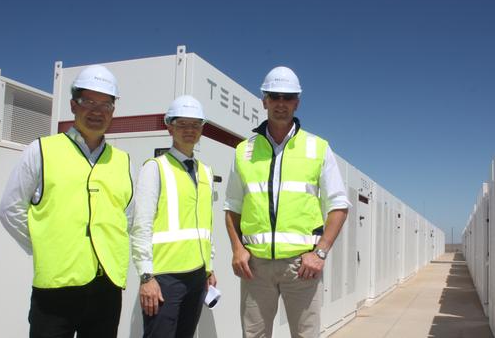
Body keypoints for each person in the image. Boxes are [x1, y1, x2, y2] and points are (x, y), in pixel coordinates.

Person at [0, 65, 133, 337]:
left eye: (106, 104)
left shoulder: (122, 160)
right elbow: (10, 210)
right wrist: (45, 245)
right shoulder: (42, 151)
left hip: (106, 288)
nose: (97, 111)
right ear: (73, 105)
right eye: (88, 102)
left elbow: (126, 217)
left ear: (113, 111)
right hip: (55, 292)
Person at [224, 66, 350, 338]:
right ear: (264, 101)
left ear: (297, 103)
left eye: (288, 97)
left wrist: (320, 253)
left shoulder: (317, 148)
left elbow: (339, 205)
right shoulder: (243, 151)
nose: (281, 103)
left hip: (302, 267)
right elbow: (232, 207)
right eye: (274, 96)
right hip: (255, 268)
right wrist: (237, 249)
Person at [131, 95, 217, 338]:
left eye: (195, 125)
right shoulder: (155, 168)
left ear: (202, 129)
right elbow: (141, 226)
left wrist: (209, 267)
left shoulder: (205, 172)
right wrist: (146, 276)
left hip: (197, 276)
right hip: (164, 278)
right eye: (182, 124)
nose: (189, 130)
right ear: (169, 126)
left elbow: (206, 225)